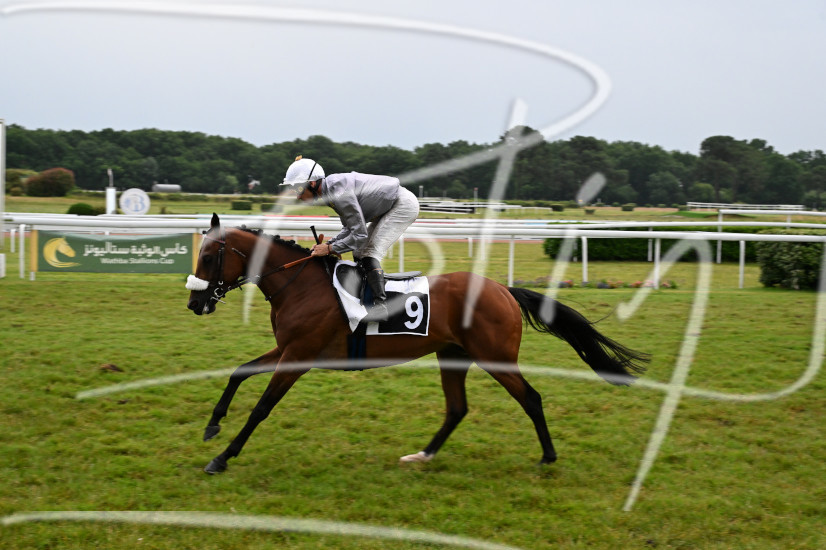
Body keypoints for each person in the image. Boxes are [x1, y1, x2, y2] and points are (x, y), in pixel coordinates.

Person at [281, 156, 420, 321]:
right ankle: (365, 299)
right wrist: (329, 244)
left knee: (369, 252)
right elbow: (350, 229)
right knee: (359, 251)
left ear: (312, 183)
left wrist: (329, 249)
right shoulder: (331, 191)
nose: (298, 197)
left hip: (402, 205)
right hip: (390, 204)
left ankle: (381, 307)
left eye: (298, 189)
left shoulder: (339, 193)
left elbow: (359, 236)